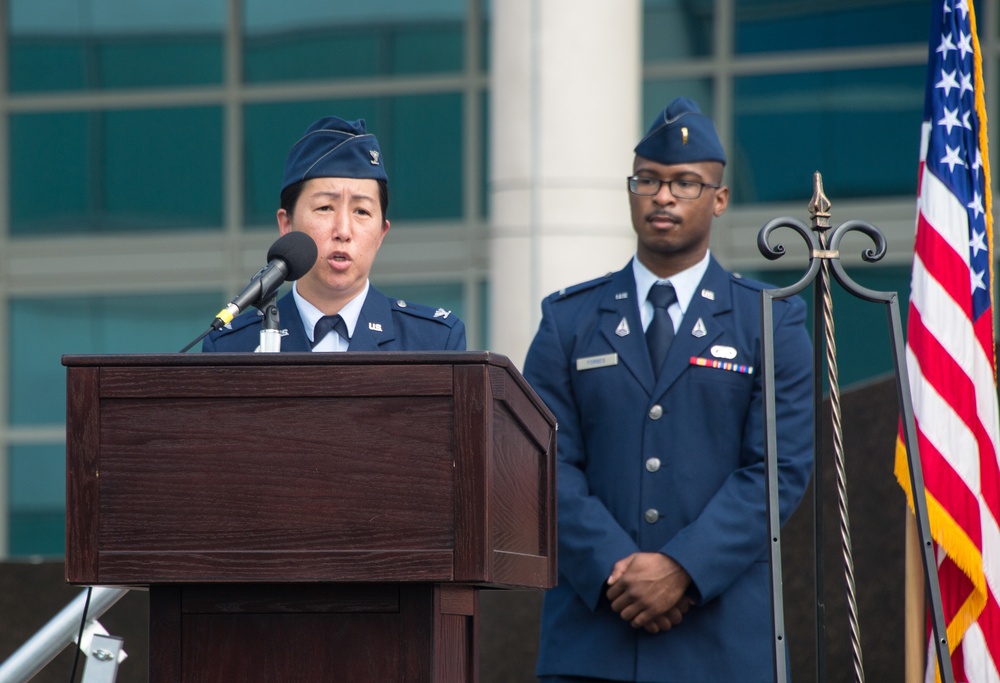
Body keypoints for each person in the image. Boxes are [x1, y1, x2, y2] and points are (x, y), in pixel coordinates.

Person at [523, 97, 814, 682]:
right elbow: (540, 462)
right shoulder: (569, 321)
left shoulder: (768, 320)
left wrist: (682, 568)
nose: (662, 196)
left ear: (720, 199)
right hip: (593, 640)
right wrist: (617, 569)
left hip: (722, 642)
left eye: (685, 183)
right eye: (648, 181)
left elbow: (777, 471)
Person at [203, 116, 466, 352]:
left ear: (381, 233)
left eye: (361, 211)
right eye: (325, 208)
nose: (343, 231)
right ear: (287, 225)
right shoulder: (233, 346)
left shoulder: (433, 341)